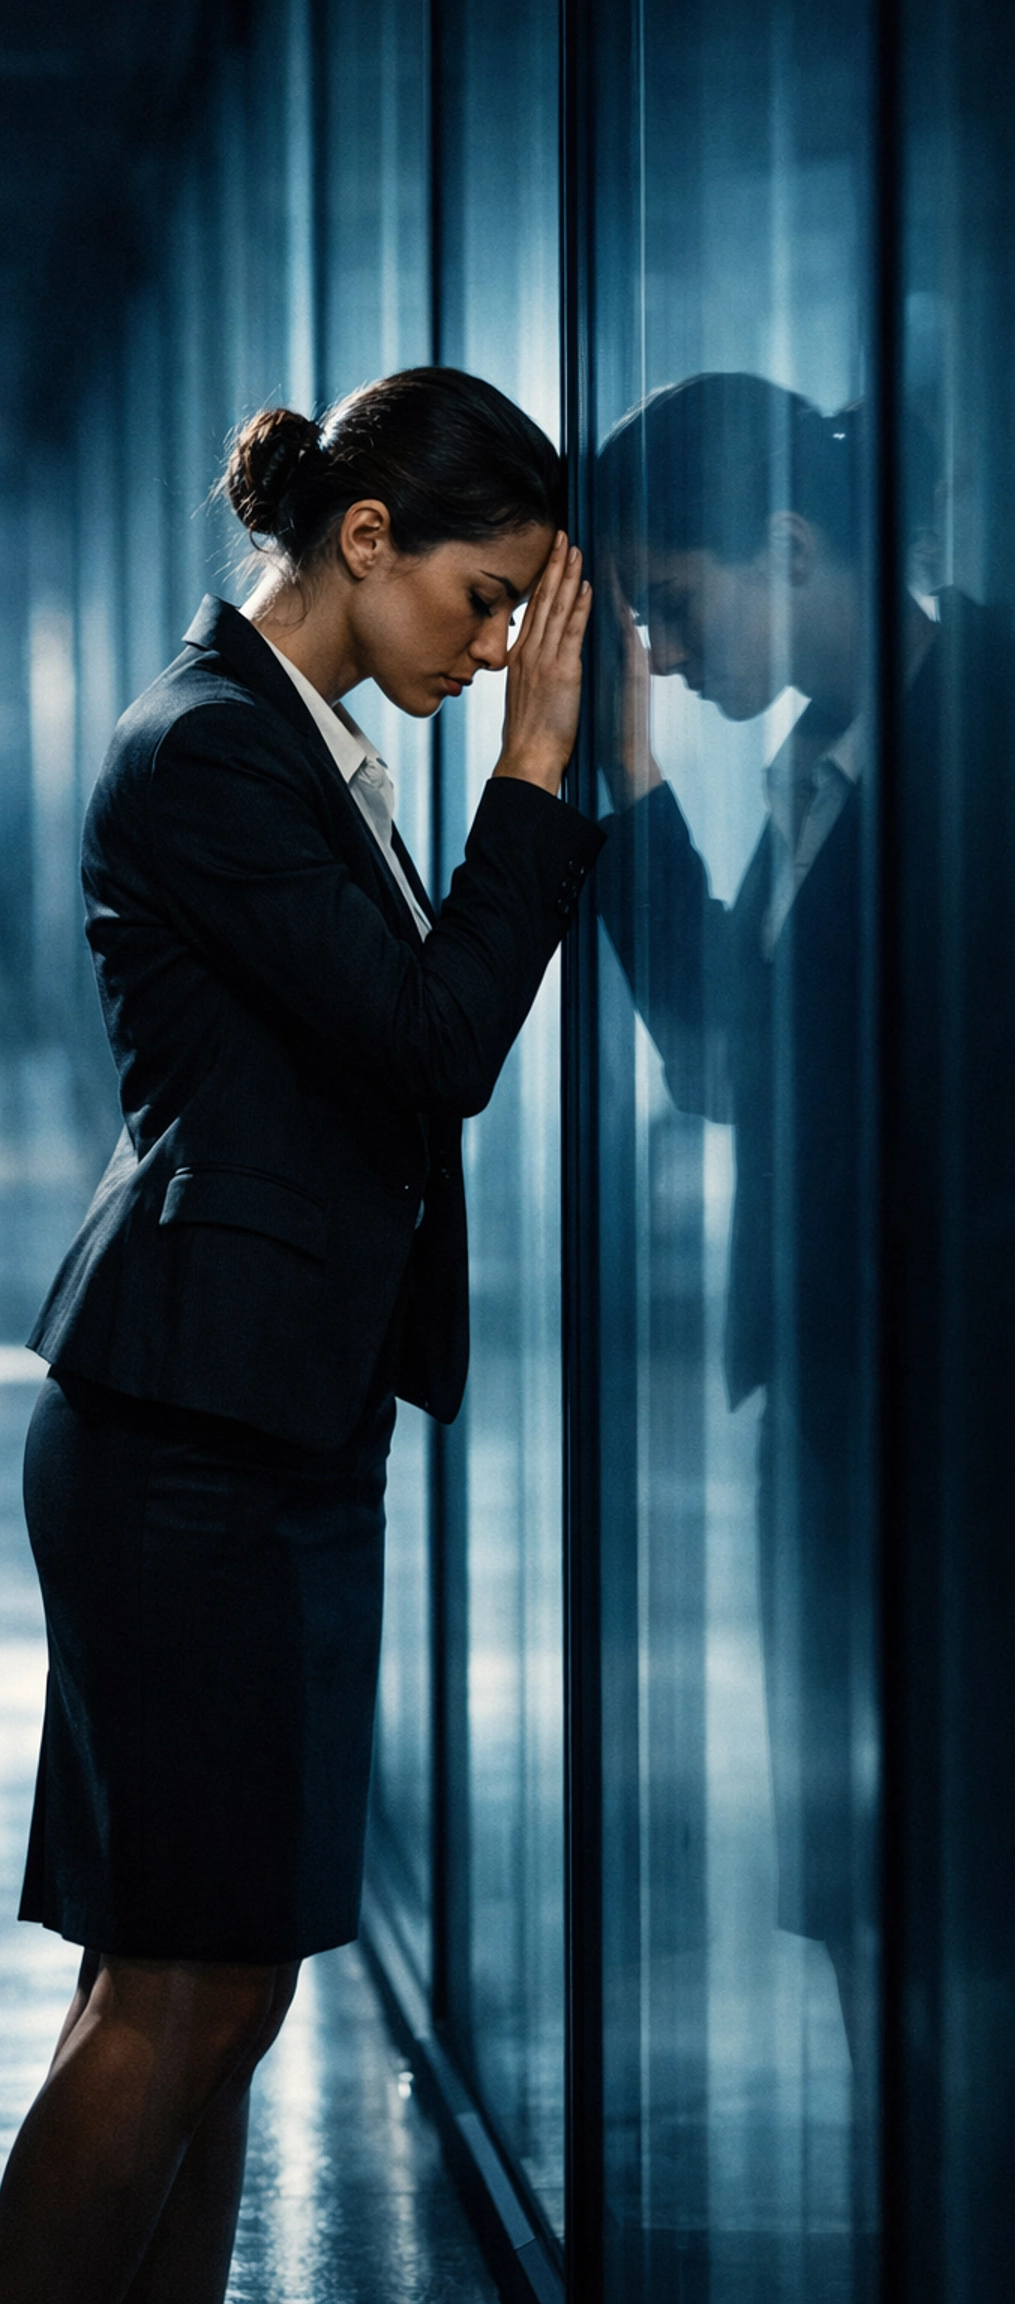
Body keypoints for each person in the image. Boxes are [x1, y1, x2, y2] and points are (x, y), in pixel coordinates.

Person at [0, 366, 601, 2304]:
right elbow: (432, 1049)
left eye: (522, 617)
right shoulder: (209, 751)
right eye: (480, 600)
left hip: (264, 1428)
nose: (496, 649)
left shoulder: (287, 739)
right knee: (175, 1989)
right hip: (190, 1445)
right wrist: (541, 772)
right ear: (362, 541)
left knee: (221, 1990)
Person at [594, 370, 999, 2077]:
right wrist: (624, 785)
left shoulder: (980, 732)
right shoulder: (819, 764)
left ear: (788, 542)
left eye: (671, 608)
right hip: (842, 1422)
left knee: (958, 1887)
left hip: (964, 1427)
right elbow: (735, 1070)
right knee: (853, 1886)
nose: (666, 655)